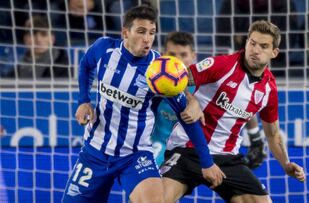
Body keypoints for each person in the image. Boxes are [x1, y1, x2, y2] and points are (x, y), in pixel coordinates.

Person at [61, 5, 224, 203]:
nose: (147, 39)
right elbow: (86, 65)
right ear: (125, 33)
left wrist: (207, 162)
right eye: (141, 32)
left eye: (152, 33)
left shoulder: (160, 70)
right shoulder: (104, 48)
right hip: (95, 150)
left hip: (135, 154)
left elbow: (188, 119)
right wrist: (84, 101)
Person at [161, 20, 306, 203]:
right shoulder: (221, 65)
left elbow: (272, 133)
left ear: (274, 53)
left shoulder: (269, 89)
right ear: (246, 42)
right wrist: (192, 100)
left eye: (263, 46)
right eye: (252, 43)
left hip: (226, 158)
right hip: (186, 148)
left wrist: (285, 164)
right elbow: (177, 78)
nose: (255, 50)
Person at [152, 31, 267, 170]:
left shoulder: (208, 81)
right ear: (163, 55)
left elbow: (240, 103)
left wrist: (256, 139)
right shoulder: (154, 81)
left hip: (195, 147)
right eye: (172, 55)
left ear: (193, 56)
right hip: (159, 144)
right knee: (154, 186)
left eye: (183, 55)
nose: (178, 60)